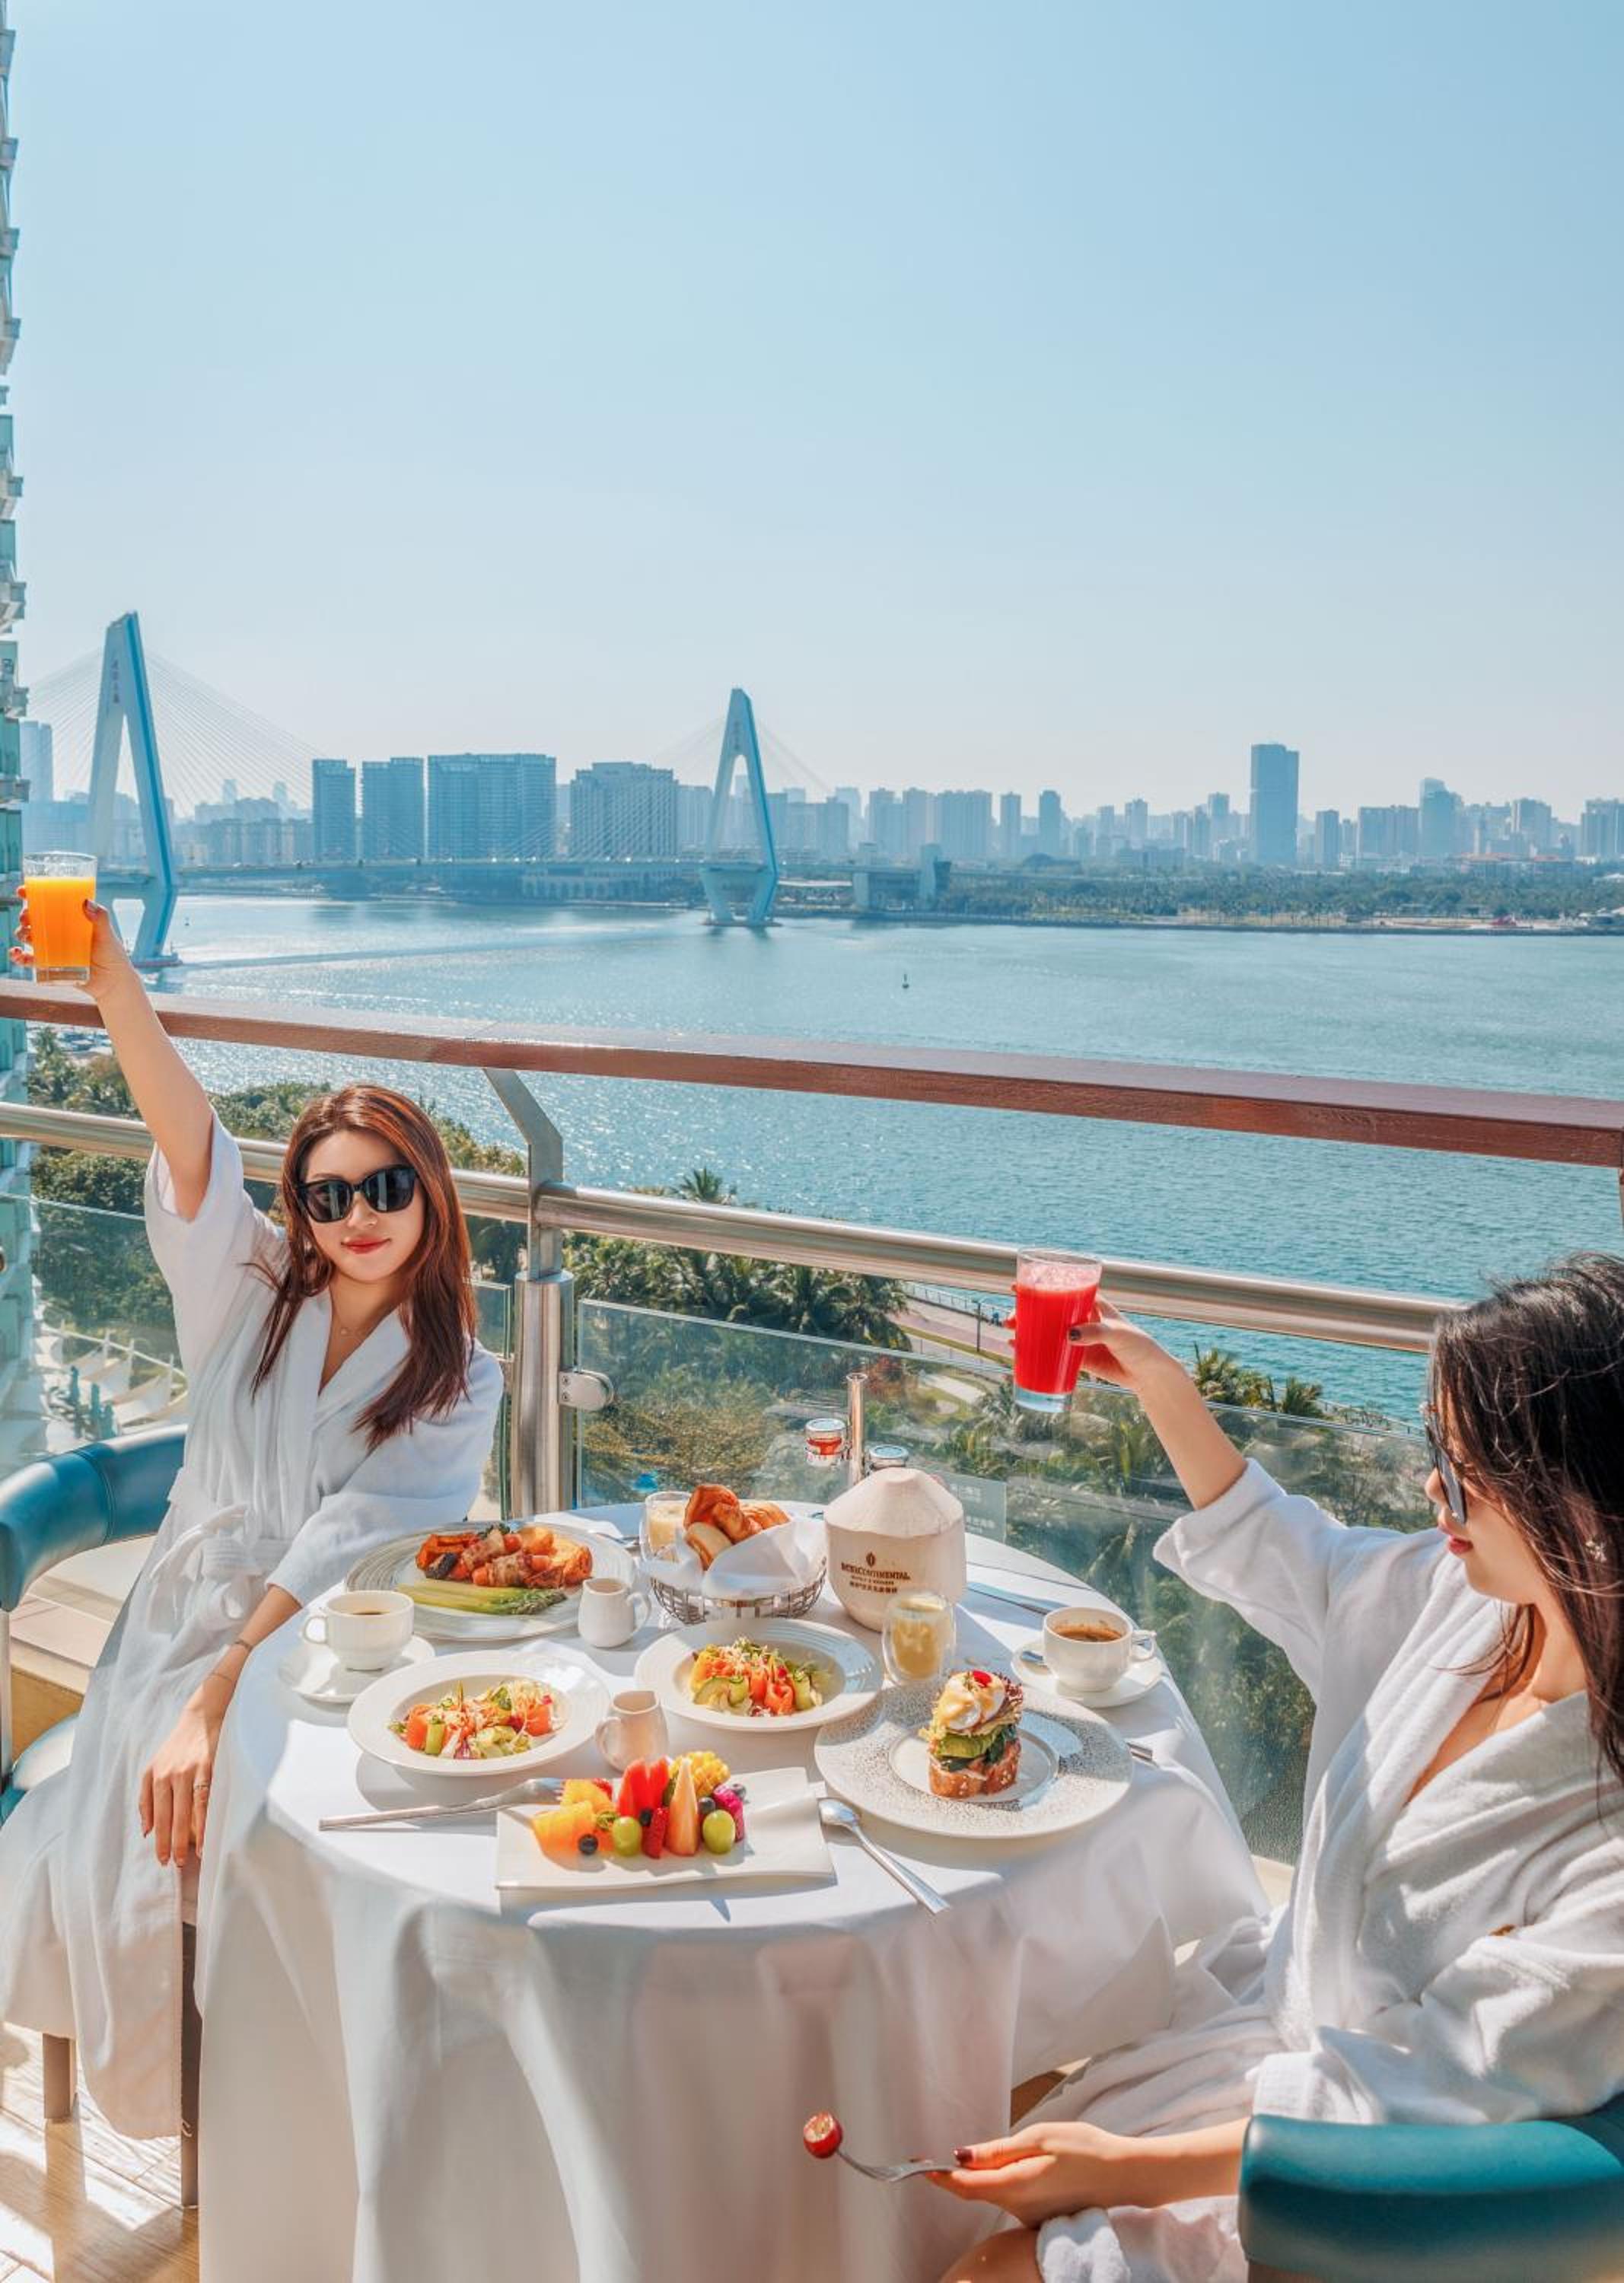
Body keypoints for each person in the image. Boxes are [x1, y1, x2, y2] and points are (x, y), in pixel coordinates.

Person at [932, 1262, 1624, 2283]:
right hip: (1258, 2054)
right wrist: (1164, 1390)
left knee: (989, 2265)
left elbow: (1424, 2092)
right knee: (963, 2129)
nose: (1432, 1485)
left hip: (1361, 2194)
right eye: (1435, 1447)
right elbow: (1291, 1558)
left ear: (1581, 1495)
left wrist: (1125, 2170)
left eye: (1463, 1462)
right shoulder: (1468, 1603)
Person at [0, 902, 504, 2139]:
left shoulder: (456, 1372)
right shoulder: (251, 1285)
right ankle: (237, 2107)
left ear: (431, 1191)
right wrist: (113, 981)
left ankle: (345, 2098)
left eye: (388, 1186)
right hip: (185, 1615)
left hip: (331, 1639)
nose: (359, 1216)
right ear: (302, 1211)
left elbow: (353, 1542)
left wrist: (219, 1698)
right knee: (166, 1823)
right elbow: (189, 1141)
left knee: (335, 1828)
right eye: (328, 1197)